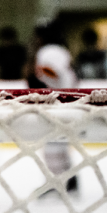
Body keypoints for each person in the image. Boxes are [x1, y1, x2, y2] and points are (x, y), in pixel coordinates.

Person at [29, 22, 79, 195]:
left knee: (53, 144)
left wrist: (41, 78)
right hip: (68, 101)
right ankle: (69, 179)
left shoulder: (47, 51)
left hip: (56, 102)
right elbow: (71, 74)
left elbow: (51, 72)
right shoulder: (62, 50)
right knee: (60, 143)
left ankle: (58, 181)